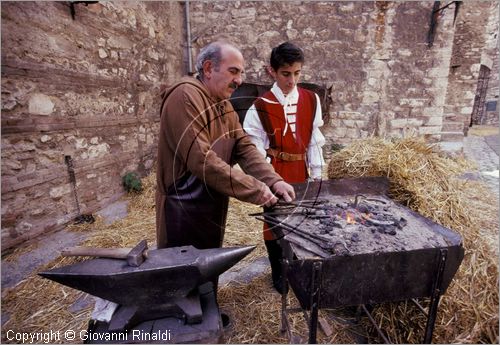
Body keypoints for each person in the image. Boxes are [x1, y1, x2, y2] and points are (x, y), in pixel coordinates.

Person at [155, 41, 295, 258]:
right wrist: (255, 190)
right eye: (233, 72)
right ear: (209, 69)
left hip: (211, 203)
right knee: (183, 276)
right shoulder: (185, 96)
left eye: (240, 73)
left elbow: (243, 146)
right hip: (182, 208)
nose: (239, 80)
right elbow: (201, 160)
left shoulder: (224, 105)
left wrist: (273, 180)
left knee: (209, 270)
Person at [243, 42, 326, 293]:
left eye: (297, 73)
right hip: (275, 171)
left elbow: (313, 141)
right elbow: (254, 151)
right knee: (274, 225)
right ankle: (278, 272)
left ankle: (298, 270)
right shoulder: (259, 105)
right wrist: (267, 181)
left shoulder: (311, 100)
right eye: (286, 74)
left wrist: (318, 175)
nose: (292, 80)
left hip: (301, 170)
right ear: (272, 71)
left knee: (301, 222)